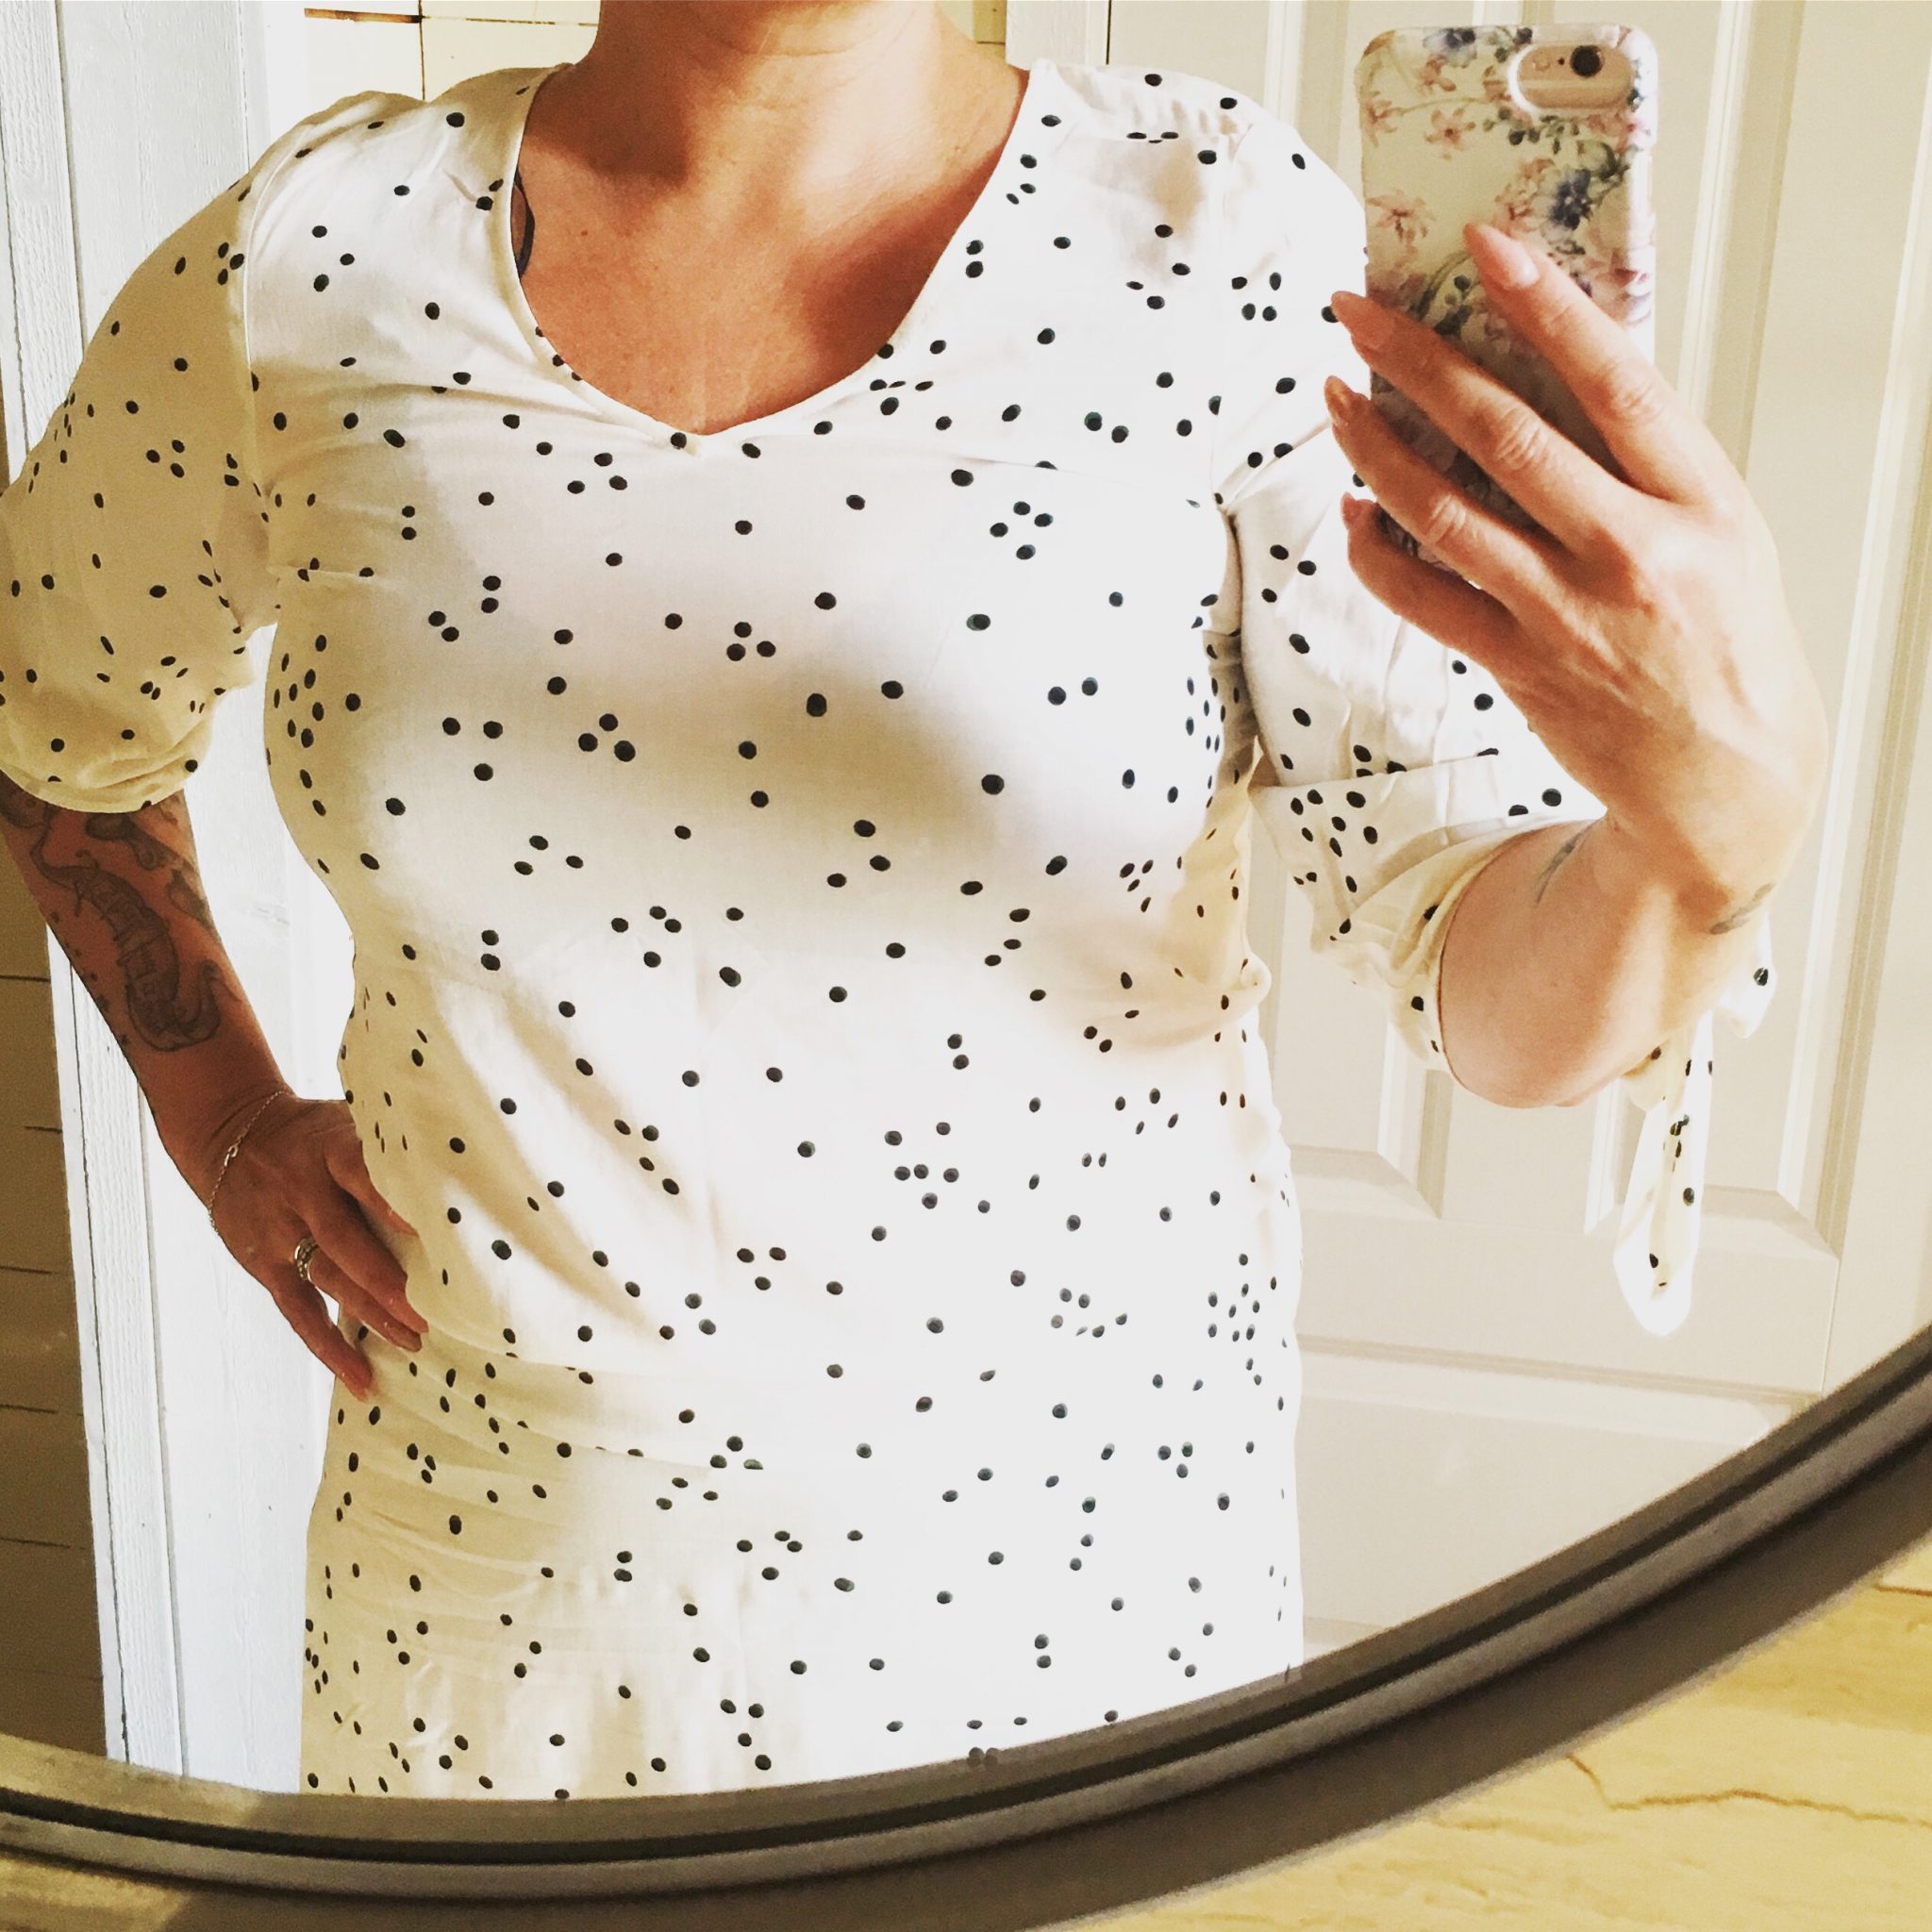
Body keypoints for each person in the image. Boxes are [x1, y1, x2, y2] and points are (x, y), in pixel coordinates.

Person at [0, 3, 1797, 1802]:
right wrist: (222, 1117)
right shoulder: (311, 264)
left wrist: (1702, 835)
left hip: (1068, 1616)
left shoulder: (1217, 240)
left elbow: (1485, 976)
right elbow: (51, 716)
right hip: (484, 1620)